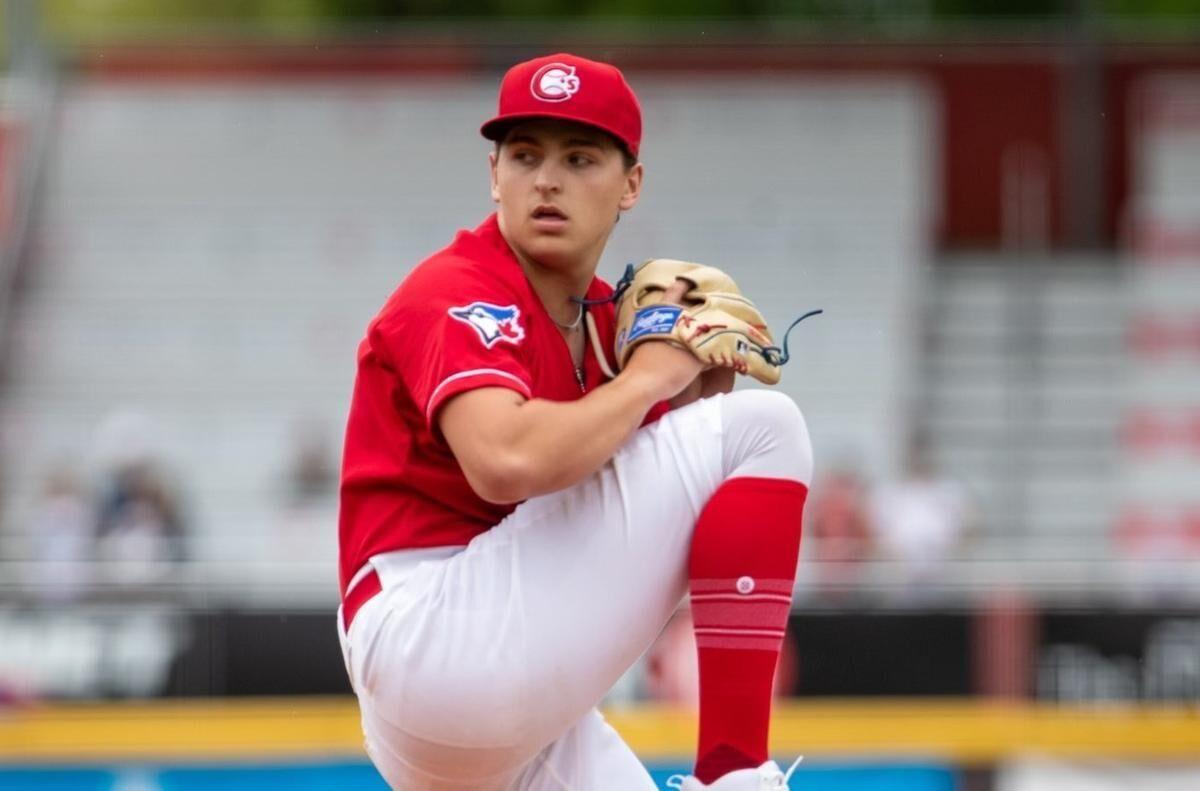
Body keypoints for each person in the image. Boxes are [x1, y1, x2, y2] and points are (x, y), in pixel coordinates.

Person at [336, 53, 813, 791]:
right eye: (524, 155)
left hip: (490, 716)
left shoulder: (600, 323)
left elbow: (668, 525)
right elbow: (505, 461)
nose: (547, 179)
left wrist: (692, 396)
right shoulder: (459, 290)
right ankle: (735, 771)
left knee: (733, 425)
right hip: (433, 631)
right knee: (765, 428)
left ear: (631, 184)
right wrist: (661, 378)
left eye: (579, 156)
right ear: (494, 174)